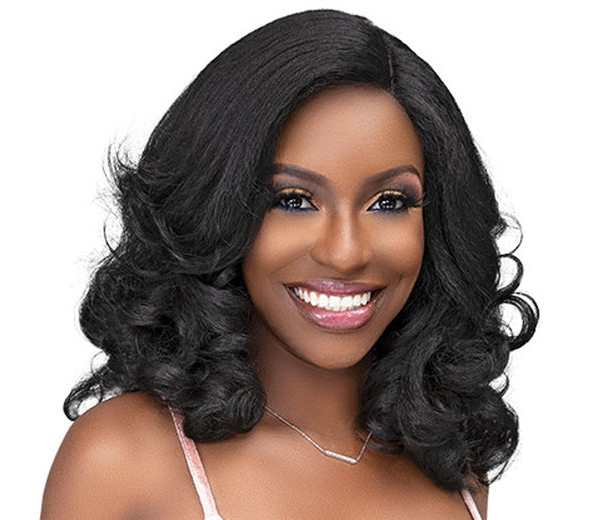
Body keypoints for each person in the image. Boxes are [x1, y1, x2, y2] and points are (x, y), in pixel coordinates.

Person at [41, 9, 538, 519]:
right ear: (216, 214)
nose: (345, 253)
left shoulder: (454, 466)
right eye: (294, 200)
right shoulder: (121, 460)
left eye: (389, 202)